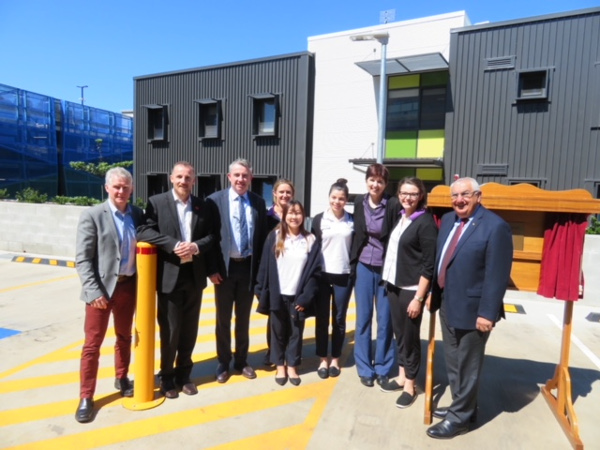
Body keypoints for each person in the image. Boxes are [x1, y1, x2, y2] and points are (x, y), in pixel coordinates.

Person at [426, 177, 513, 439]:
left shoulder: (496, 227)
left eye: (465, 194)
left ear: (478, 196)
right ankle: (463, 407)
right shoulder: (449, 221)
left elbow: (497, 275)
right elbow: (442, 259)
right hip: (448, 304)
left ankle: (460, 419)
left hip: (475, 311)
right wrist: (433, 292)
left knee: (468, 365)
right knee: (453, 363)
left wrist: (487, 313)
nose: (459, 200)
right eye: (455, 196)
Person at [137, 161, 219, 399]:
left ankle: (185, 375)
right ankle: (167, 376)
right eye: (180, 177)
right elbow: (144, 231)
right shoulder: (156, 203)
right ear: (171, 178)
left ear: (194, 181)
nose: (184, 181)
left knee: (189, 330)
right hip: (169, 277)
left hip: (194, 277)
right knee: (170, 331)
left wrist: (195, 246)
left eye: (188, 178)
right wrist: (173, 245)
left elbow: (212, 236)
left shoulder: (203, 206)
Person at [74, 167, 143, 423]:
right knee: (92, 345)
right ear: (107, 188)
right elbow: (82, 258)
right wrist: (93, 292)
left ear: (131, 189)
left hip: (127, 287)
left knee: (124, 337)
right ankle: (86, 396)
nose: (121, 191)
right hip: (100, 293)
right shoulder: (92, 215)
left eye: (126, 187)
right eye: (117, 187)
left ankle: (122, 377)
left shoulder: (137, 214)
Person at [207, 158, 268, 383]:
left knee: (243, 319)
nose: (241, 179)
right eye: (237, 175)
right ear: (229, 177)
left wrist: (260, 273)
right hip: (224, 269)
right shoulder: (214, 201)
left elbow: (261, 239)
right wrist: (211, 269)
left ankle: (241, 361)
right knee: (223, 319)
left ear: (251, 178)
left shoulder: (258, 202)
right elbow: (211, 239)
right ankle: (223, 362)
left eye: (245, 176)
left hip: (247, 268)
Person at [380, 177, 437, 408]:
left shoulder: (425, 223)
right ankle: (402, 376)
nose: (407, 197)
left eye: (413, 194)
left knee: (411, 339)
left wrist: (419, 298)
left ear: (421, 195)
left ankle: (411, 385)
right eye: (403, 192)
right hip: (394, 285)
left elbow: (428, 265)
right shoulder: (401, 217)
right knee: (400, 335)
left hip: (411, 290)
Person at [255, 200, 321, 386]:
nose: (294, 216)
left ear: (303, 216)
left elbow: (315, 272)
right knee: (277, 331)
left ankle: (292, 364)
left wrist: (306, 297)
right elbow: (265, 266)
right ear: (284, 216)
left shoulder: (309, 239)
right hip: (277, 293)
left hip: (298, 295)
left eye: (298, 213)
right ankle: (280, 365)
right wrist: (260, 289)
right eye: (290, 213)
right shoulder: (274, 237)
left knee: (295, 332)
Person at [350, 163, 395, 387]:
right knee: (364, 319)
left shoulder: (393, 204)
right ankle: (364, 367)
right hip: (363, 266)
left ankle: (383, 367)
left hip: (386, 268)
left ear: (385, 184)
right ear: (366, 180)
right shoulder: (359, 202)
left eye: (380, 181)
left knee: (385, 320)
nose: (375, 184)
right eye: (372, 179)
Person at [311, 178, 354, 379]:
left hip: (343, 275)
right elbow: (313, 249)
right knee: (322, 319)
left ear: (346, 200)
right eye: (334, 197)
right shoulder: (319, 220)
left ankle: (335, 357)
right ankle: (322, 358)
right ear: (329, 198)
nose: (337, 201)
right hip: (322, 275)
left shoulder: (352, 220)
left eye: (341, 198)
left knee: (338, 319)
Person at [264, 179, 295, 365]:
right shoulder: (266, 217)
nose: (284, 196)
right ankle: (273, 351)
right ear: (274, 194)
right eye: (281, 192)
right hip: (272, 273)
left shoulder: (295, 215)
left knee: (289, 316)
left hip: (290, 273)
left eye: (288, 193)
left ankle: (287, 351)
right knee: (274, 314)